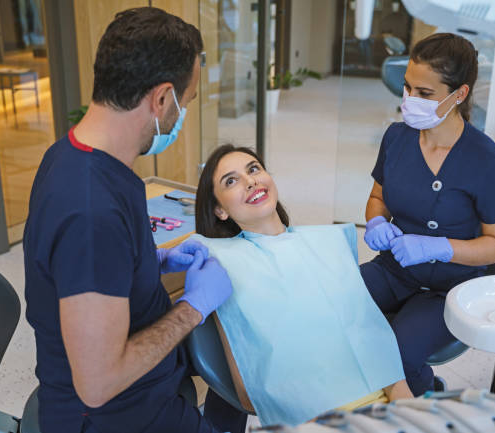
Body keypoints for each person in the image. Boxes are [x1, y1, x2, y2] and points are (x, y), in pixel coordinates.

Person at [23, 8, 244, 433]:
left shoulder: (77, 155)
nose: (182, 115)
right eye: (186, 102)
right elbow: (98, 384)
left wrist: (156, 260)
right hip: (115, 416)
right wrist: (191, 309)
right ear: (162, 99)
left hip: (143, 385)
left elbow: (86, 268)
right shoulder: (90, 210)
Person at [191, 144, 413, 426]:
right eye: (231, 181)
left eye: (254, 169)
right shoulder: (224, 266)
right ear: (220, 210)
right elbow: (249, 390)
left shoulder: (328, 247)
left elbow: (378, 352)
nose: (250, 181)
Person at [360, 33, 495, 396]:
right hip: (395, 269)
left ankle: (424, 394)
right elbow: (376, 196)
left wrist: (441, 248)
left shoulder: (486, 160)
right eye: (407, 88)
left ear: (459, 94)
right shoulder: (397, 138)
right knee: (334, 308)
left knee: (398, 351)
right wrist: (375, 220)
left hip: (450, 287)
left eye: (424, 93)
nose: (409, 101)